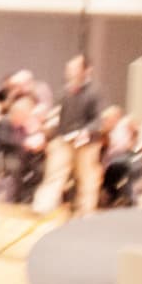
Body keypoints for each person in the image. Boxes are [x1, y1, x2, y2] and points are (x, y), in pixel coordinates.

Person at [33, 53, 104, 216]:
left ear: (86, 70)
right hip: (63, 138)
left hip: (87, 143)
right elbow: (57, 115)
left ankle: (85, 211)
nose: (70, 71)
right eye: (70, 67)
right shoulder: (65, 91)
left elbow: (98, 119)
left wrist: (86, 131)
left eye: (74, 68)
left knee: (86, 177)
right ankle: (43, 206)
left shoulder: (94, 92)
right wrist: (47, 130)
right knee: (54, 172)